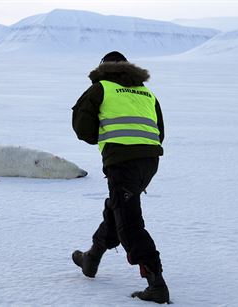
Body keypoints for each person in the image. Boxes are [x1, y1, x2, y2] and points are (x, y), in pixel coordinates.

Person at [71, 51, 170, 304]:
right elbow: (159, 131)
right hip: (149, 162)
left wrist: (105, 135)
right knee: (119, 208)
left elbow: (84, 130)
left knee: (129, 221)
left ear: (103, 69)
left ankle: (156, 283)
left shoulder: (101, 88)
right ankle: (91, 257)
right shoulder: (147, 93)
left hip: (122, 161)